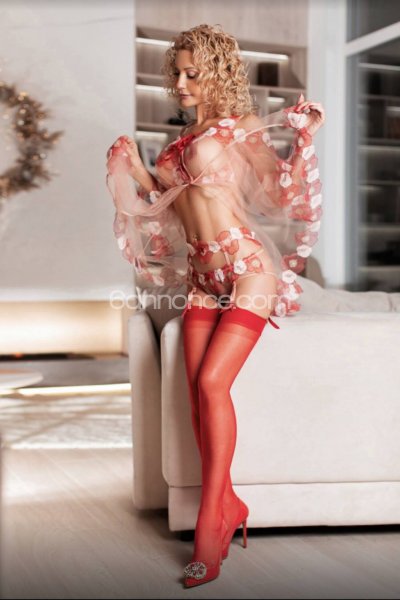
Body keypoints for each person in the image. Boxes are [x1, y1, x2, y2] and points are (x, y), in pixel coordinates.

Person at [106, 23, 325, 588]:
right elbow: (170, 206)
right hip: (204, 278)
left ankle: (210, 527)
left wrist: (304, 140)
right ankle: (229, 506)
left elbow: (277, 194)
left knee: (210, 384)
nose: (180, 83)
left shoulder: (242, 127)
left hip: (248, 269)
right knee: (195, 399)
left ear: (218, 73)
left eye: (192, 73)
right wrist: (136, 170)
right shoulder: (182, 139)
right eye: (176, 73)